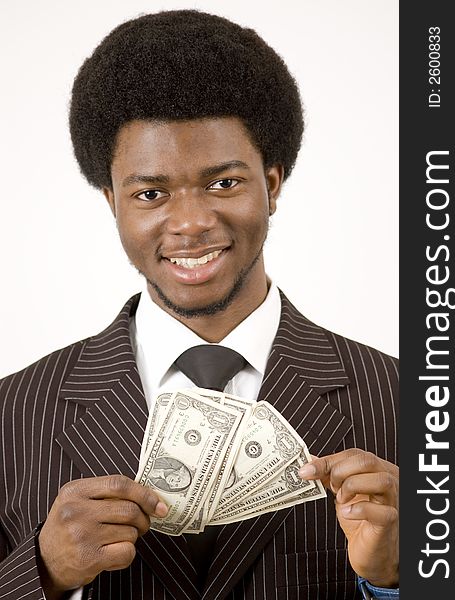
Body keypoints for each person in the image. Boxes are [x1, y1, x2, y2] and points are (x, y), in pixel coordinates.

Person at [0, 9, 399, 600]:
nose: (190, 223)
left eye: (223, 183)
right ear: (112, 200)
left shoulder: (407, 402)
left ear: (274, 182)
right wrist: (42, 572)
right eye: (151, 193)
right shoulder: (13, 414)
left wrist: (399, 578)